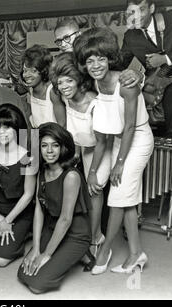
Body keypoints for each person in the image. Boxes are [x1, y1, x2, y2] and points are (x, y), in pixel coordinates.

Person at [74, 27, 154, 274]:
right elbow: (104, 134)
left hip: (138, 139)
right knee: (126, 201)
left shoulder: (126, 83)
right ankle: (136, 254)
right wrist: (94, 170)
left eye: (101, 58)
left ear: (109, 57)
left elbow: (130, 126)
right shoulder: (98, 84)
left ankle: (105, 249)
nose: (96, 65)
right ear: (84, 65)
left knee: (117, 197)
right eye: (89, 60)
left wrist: (119, 163)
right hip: (118, 140)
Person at [50, 52, 112, 259]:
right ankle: (79, 232)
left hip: (103, 147)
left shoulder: (94, 103)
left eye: (69, 80)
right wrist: (73, 155)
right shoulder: (64, 98)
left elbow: (102, 142)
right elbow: (72, 131)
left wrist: (92, 172)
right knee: (75, 185)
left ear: (79, 80)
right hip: (83, 146)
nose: (64, 86)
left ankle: (96, 237)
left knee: (94, 188)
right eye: (60, 82)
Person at [17, 122, 91, 293]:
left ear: (63, 147)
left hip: (75, 234)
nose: (49, 151)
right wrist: (35, 249)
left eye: (55, 145)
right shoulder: (42, 171)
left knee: (37, 285)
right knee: (24, 273)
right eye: (44, 145)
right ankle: (65, 254)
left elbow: (66, 220)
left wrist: (46, 255)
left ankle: (83, 252)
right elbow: (39, 209)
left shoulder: (71, 176)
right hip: (52, 228)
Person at [0, 104, 35, 267]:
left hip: (18, 212)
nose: (1, 132)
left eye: (7, 127)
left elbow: (28, 194)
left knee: (0, 260)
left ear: (16, 128)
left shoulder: (28, 157)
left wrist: (8, 220)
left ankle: (26, 232)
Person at [121, 0, 172, 137]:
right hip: (158, 87)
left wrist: (166, 59)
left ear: (152, 8)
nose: (137, 16)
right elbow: (118, 64)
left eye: (141, 9)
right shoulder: (130, 36)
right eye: (132, 11)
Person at [21, 45, 66, 128]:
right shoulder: (31, 89)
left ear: (43, 71)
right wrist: (35, 141)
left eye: (33, 71)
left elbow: (62, 124)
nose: (27, 75)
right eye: (25, 71)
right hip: (38, 136)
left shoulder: (52, 92)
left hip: (53, 137)